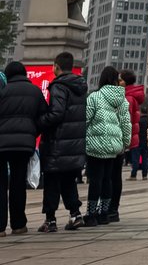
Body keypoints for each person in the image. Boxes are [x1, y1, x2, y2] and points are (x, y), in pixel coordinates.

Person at [37, 52, 88, 233]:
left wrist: (40, 121)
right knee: (68, 180)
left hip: (58, 142)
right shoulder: (81, 87)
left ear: (56, 66)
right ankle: (75, 214)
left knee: (52, 180)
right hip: (74, 143)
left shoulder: (59, 86)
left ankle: (50, 220)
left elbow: (57, 113)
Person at [0, 61, 48, 236]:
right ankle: (18, 224)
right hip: (24, 145)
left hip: (1, 144)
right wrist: (33, 131)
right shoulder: (34, 91)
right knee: (18, 183)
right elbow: (45, 116)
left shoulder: (2, 91)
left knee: (0, 184)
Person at [83, 66, 132, 226]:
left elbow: (86, 119)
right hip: (114, 146)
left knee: (95, 179)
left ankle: (91, 215)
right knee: (107, 179)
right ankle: (104, 213)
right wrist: (125, 143)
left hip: (96, 145)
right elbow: (126, 124)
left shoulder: (94, 97)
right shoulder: (122, 100)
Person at [108, 70, 144, 224]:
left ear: (124, 82)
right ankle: (113, 208)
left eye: (120, 80)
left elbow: (125, 121)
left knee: (114, 175)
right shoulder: (131, 95)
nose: (118, 82)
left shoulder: (127, 97)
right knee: (115, 175)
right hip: (124, 140)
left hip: (120, 141)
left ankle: (113, 209)